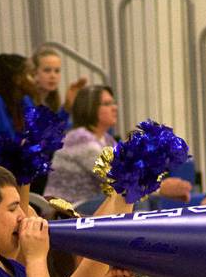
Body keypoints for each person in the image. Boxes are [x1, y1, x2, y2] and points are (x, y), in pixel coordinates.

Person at [44, 85, 192, 207]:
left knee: (146, 199)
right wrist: (161, 187)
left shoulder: (107, 140)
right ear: (89, 108)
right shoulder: (79, 138)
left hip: (93, 204)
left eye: (113, 103)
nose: (114, 108)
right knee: (131, 199)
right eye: (107, 104)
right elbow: (118, 177)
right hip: (67, 208)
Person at [30, 46, 86, 113]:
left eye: (57, 71)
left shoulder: (51, 102)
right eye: (47, 70)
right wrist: (65, 109)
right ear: (34, 72)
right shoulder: (26, 99)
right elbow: (32, 119)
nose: (53, 76)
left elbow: (57, 120)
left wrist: (67, 106)